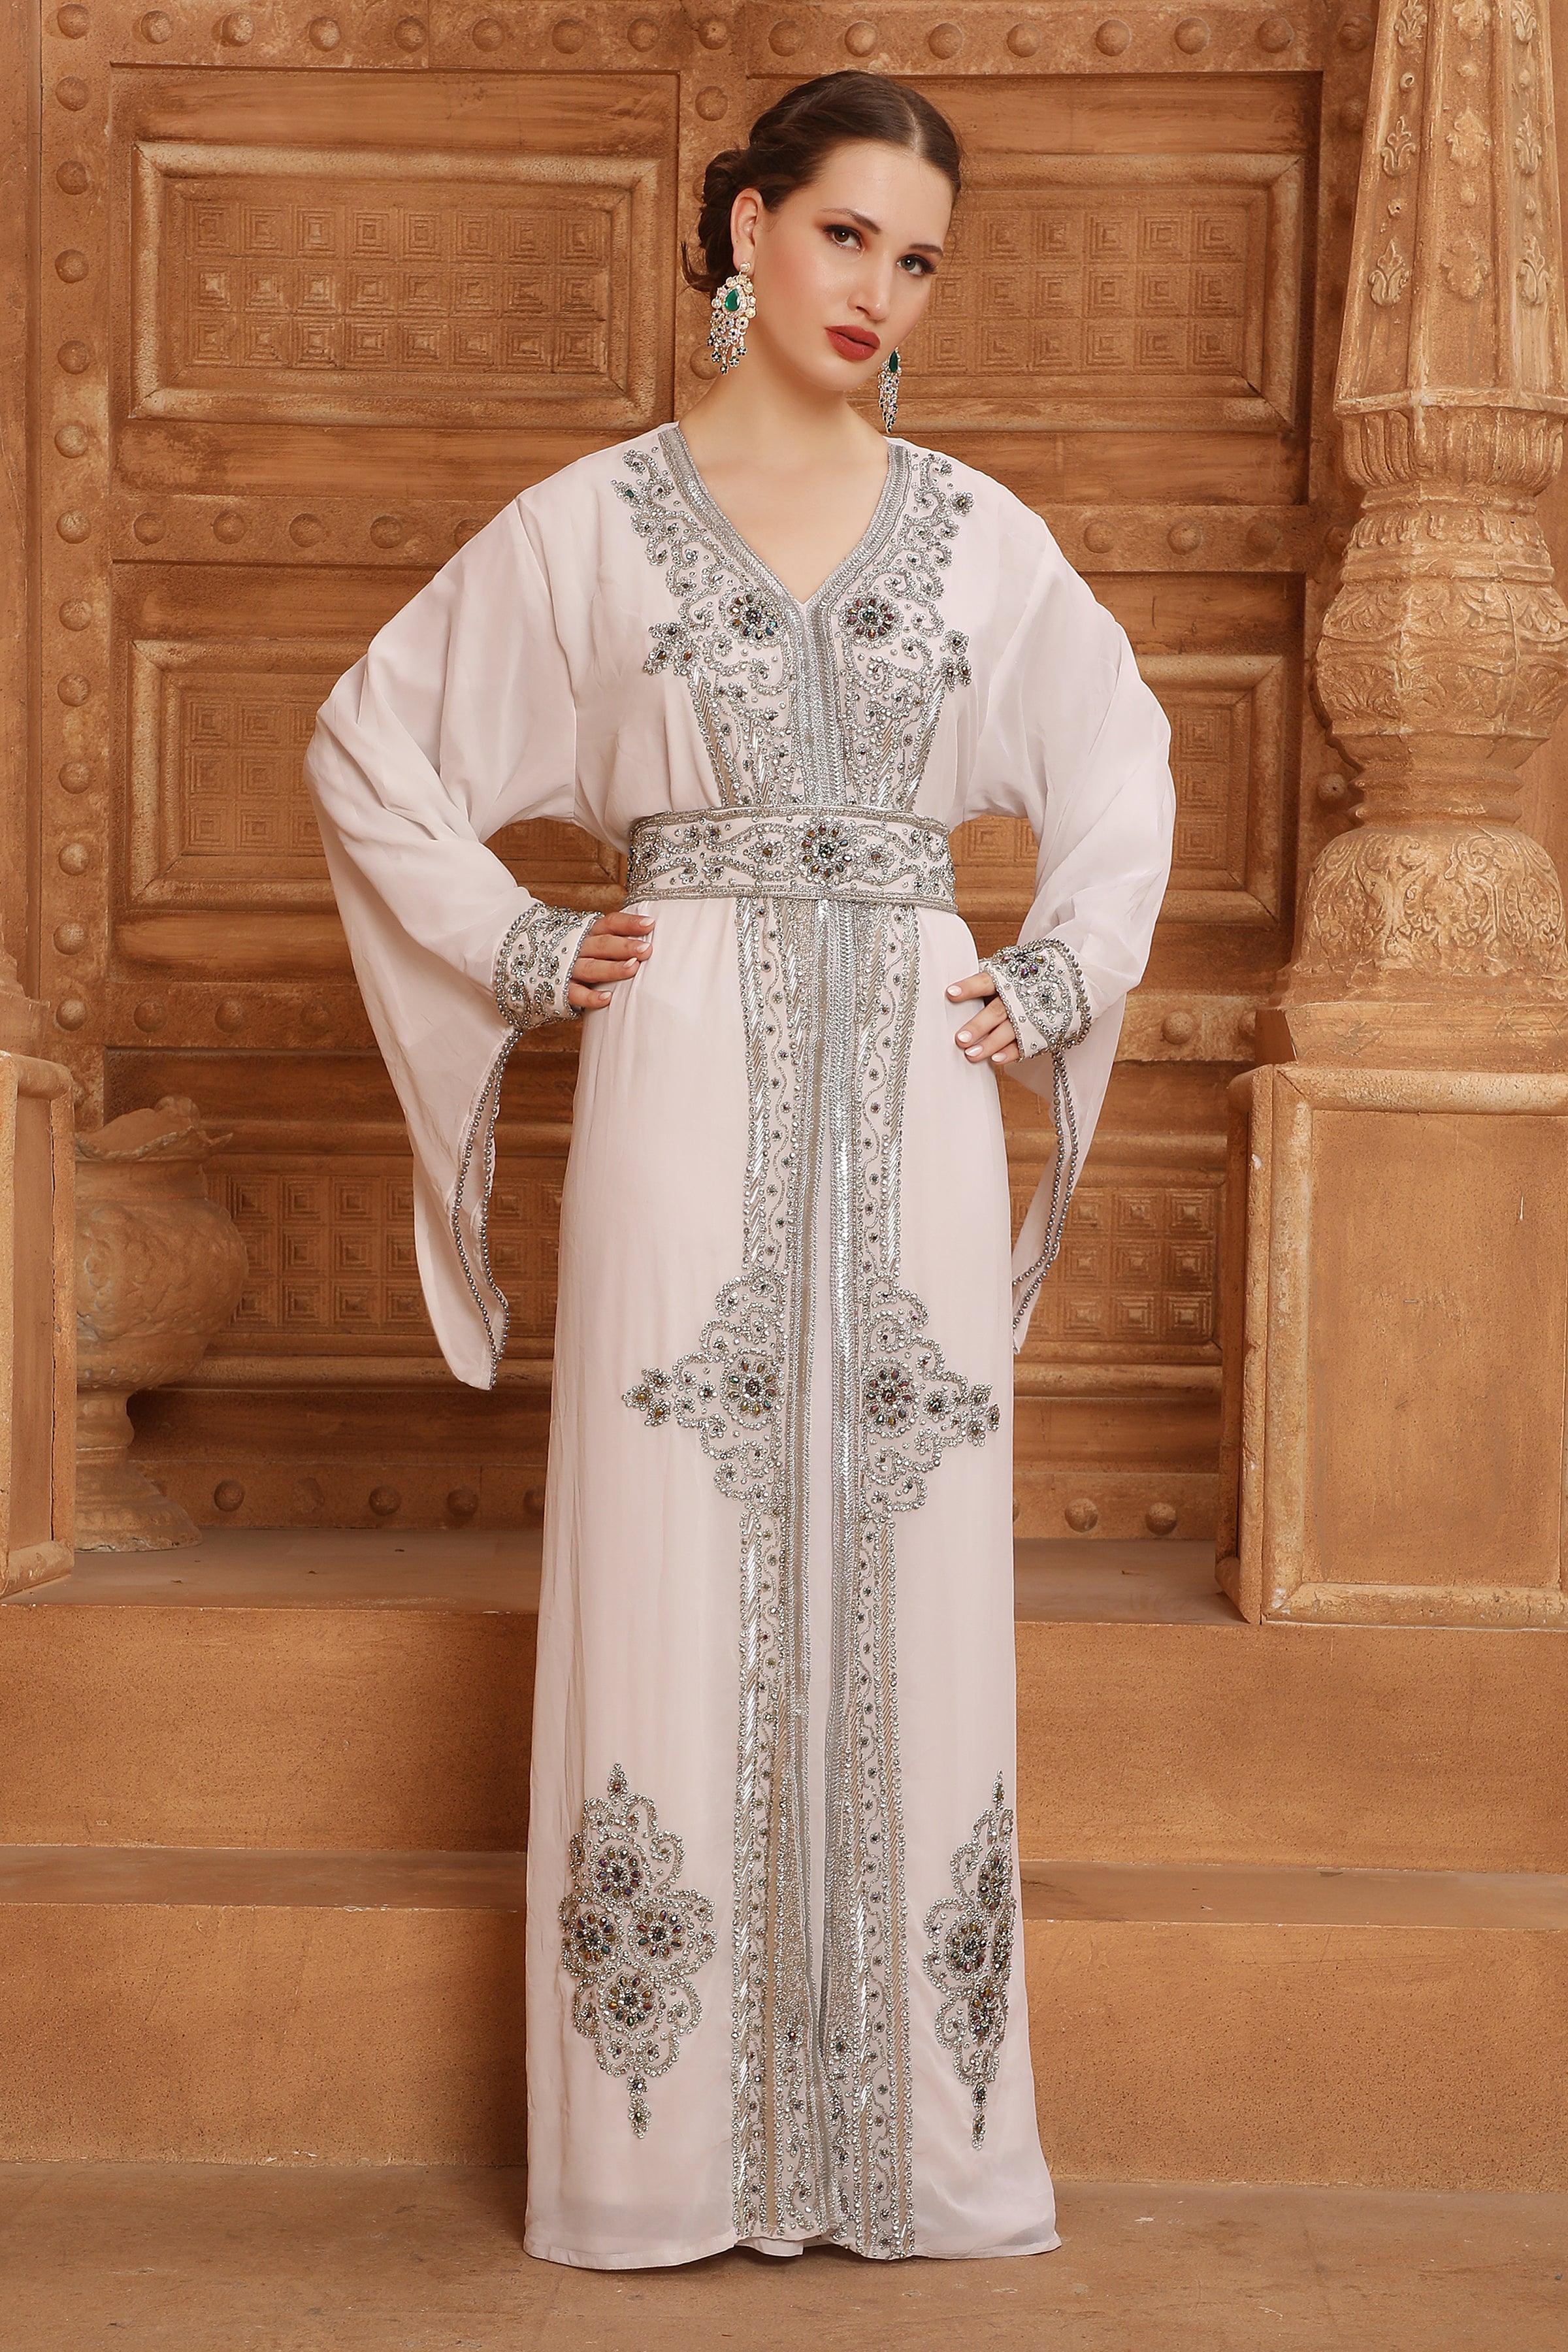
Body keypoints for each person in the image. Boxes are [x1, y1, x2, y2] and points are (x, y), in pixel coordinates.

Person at [303, 69, 1174, 2270]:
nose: (879, 289)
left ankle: (915, 2142)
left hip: (915, 1070)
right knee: (676, 1541)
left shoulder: (984, 536)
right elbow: (369, 738)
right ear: (746, 232)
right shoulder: (596, 523)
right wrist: (518, 939)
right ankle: (660, 2148)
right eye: (846, 234)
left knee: (908, 1555)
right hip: (679, 1071)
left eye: (917, 258)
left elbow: (1119, 763)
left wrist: (1051, 980)